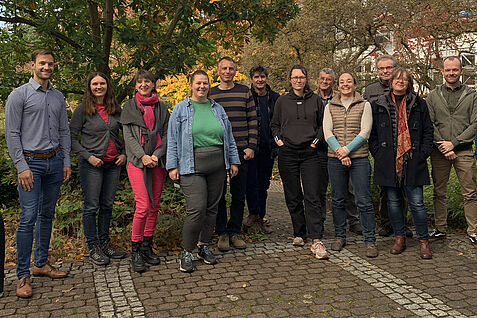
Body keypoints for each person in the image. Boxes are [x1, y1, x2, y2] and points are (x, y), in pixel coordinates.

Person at [5, 48, 71, 298]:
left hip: (54, 162)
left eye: (51, 63)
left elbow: (64, 131)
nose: (47, 67)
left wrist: (65, 161)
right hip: (30, 164)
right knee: (28, 217)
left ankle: (41, 263)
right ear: (32, 65)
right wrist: (21, 166)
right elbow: (12, 134)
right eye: (42, 63)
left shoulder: (58, 97)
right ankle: (22, 275)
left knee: (47, 215)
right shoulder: (18, 96)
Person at [167, 70, 240, 273]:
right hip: (191, 167)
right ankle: (187, 251)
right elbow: (172, 140)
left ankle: (203, 246)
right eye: (198, 83)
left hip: (217, 166)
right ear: (191, 85)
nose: (202, 87)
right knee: (197, 209)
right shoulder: (181, 109)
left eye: (205, 83)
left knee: (212, 209)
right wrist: (172, 165)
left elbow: (229, 137)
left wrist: (233, 161)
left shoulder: (217, 108)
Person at [369, 68, 433, 259]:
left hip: (413, 160)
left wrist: (423, 153)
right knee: (393, 203)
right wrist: (379, 154)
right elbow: (372, 134)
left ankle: (423, 241)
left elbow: (428, 130)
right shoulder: (378, 104)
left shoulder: (419, 103)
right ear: (391, 82)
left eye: (404, 79)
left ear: (409, 83)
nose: (400, 82)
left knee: (417, 203)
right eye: (397, 78)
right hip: (388, 160)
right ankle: (399, 237)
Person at [271, 64, 328, 260]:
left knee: (312, 195)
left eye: (301, 77)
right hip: (288, 153)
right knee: (293, 194)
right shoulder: (282, 101)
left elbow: (323, 125)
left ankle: (316, 237)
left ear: (306, 79)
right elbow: (275, 124)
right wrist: (278, 140)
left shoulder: (316, 100)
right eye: (294, 77)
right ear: (290, 80)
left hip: (310, 153)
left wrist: (315, 143)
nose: (298, 80)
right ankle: (299, 233)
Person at [70, 72, 127, 266]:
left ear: (107, 86)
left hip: (113, 164)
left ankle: (105, 243)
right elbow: (71, 138)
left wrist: (124, 153)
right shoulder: (82, 110)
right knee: (91, 206)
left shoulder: (115, 109)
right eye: (95, 84)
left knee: (107, 205)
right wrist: (88, 156)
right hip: (92, 165)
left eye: (102, 83)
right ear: (89, 87)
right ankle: (93, 246)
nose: (98, 87)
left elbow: (127, 133)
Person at [323, 72, 378, 258]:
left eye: (349, 81)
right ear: (337, 86)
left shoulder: (365, 105)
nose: (345, 84)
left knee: (363, 200)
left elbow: (365, 132)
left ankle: (370, 240)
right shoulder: (330, 106)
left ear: (355, 84)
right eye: (342, 82)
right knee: (338, 199)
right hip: (335, 159)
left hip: (359, 159)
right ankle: (340, 236)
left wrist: (347, 150)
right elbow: (327, 132)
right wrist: (340, 151)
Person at [120, 70, 169, 272]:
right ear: (135, 86)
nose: (143, 84)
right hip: (137, 161)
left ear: (153, 84)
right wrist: (143, 156)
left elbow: (167, 134)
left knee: (155, 205)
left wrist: (157, 154)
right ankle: (136, 249)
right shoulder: (129, 107)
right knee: (143, 206)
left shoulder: (162, 108)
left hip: (157, 161)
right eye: (139, 82)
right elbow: (128, 137)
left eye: (147, 81)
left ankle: (148, 246)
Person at [427, 56, 477, 245]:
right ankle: (440, 229)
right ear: (442, 72)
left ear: (461, 71)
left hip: (463, 150)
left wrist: (454, 143)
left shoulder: (472, 95)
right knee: (439, 191)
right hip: (439, 151)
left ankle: (473, 230)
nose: (451, 73)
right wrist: (443, 145)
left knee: (470, 192)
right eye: (448, 70)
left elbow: (475, 123)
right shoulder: (433, 95)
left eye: (455, 70)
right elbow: (429, 124)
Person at [209, 57, 258, 251]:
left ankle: (234, 231)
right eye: (224, 68)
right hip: (217, 150)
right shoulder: (210, 93)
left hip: (241, 150)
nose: (228, 71)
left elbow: (253, 119)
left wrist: (251, 146)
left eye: (231, 68)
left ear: (235, 71)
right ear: (218, 71)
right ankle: (221, 232)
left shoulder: (245, 91)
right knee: (218, 194)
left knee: (238, 194)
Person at [363, 55, 412, 238]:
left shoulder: (404, 86)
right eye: (381, 68)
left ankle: (402, 223)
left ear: (395, 69)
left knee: (403, 187)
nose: (385, 71)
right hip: (382, 146)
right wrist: (375, 149)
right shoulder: (370, 90)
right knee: (385, 189)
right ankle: (386, 223)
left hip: (402, 146)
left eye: (388, 68)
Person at [317, 68, 362, 235]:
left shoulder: (338, 100)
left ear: (333, 82)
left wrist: (343, 150)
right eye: (322, 78)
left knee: (349, 189)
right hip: (321, 150)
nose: (325, 81)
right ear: (318, 81)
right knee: (321, 189)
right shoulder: (313, 99)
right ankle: (320, 221)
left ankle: (354, 221)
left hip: (345, 150)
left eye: (329, 79)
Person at [242, 65, 279, 234]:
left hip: (268, 148)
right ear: (252, 79)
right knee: (251, 183)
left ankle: (261, 216)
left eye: (262, 76)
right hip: (251, 148)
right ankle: (253, 213)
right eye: (256, 77)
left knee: (263, 185)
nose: (260, 80)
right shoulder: (247, 97)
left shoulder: (275, 98)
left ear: (266, 78)